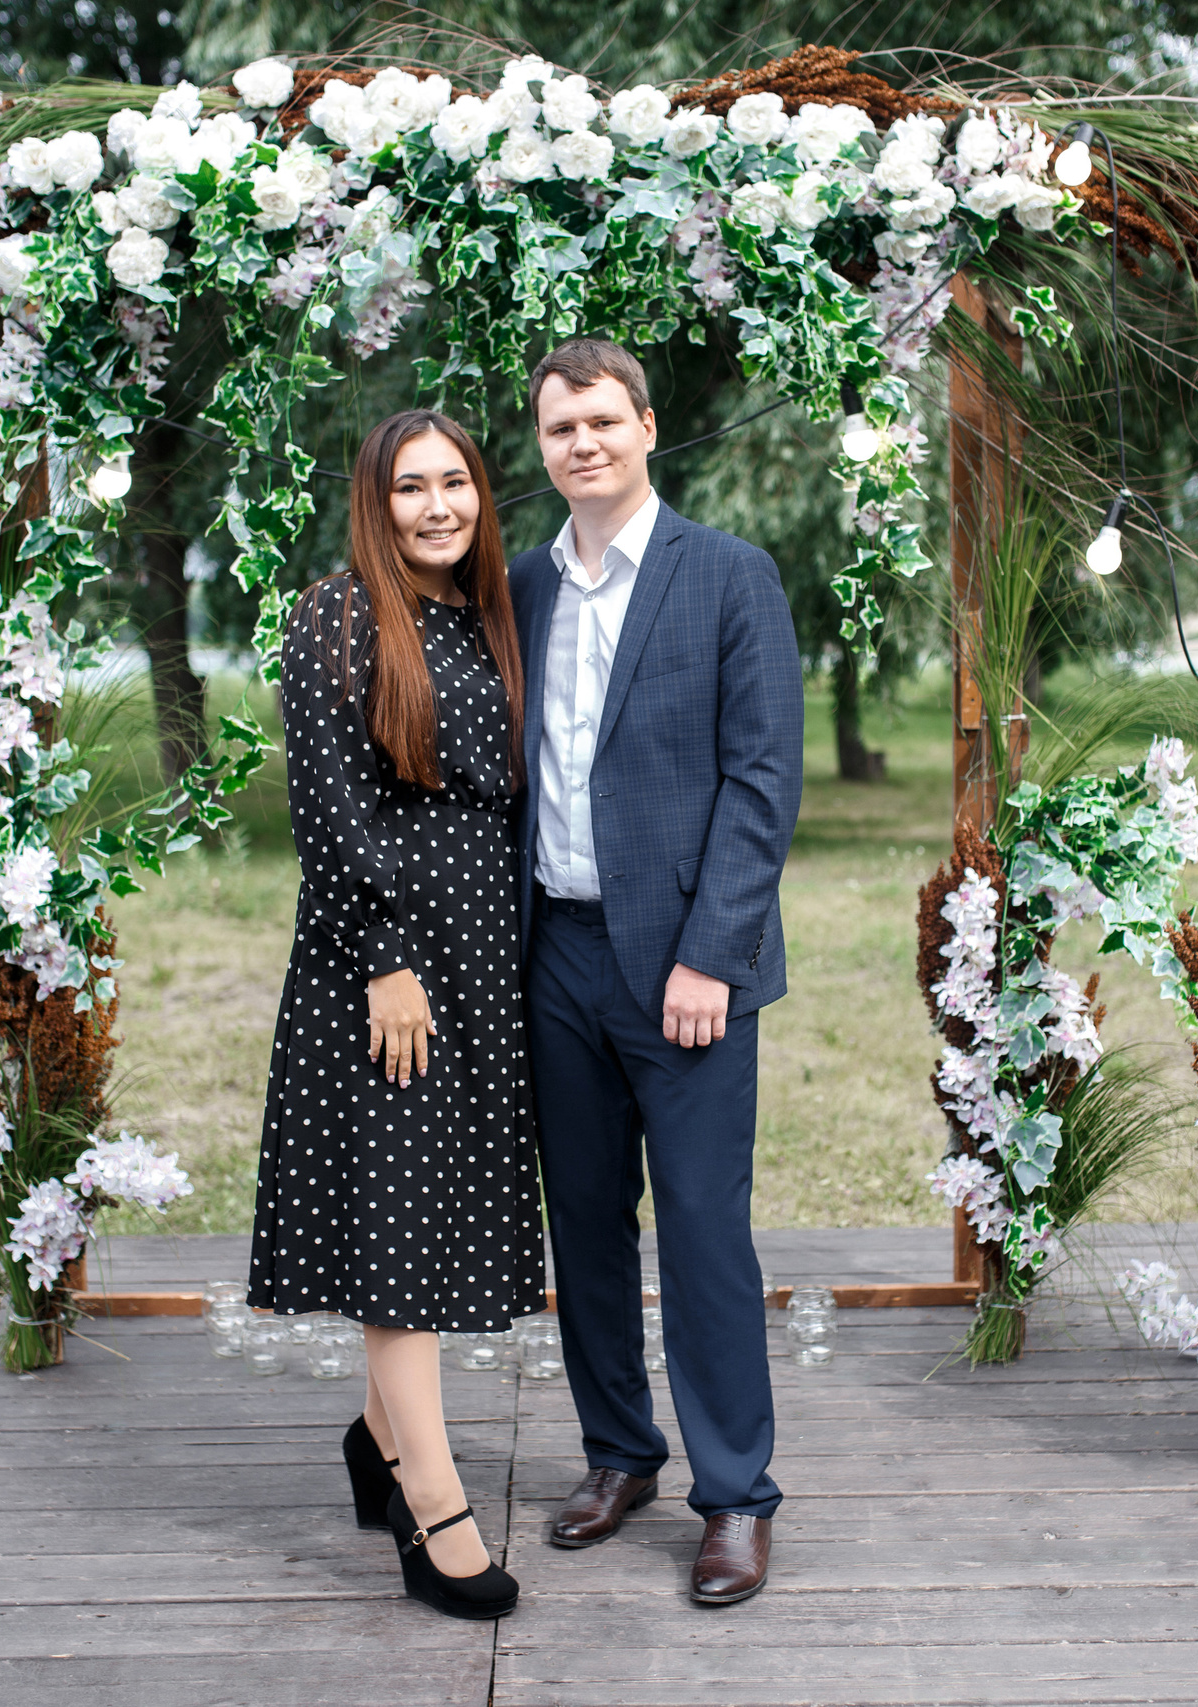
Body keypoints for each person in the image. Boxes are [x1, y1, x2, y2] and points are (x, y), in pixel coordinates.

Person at [507, 338, 803, 1604]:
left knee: (699, 1232)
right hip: (553, 954)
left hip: (683, 971)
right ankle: (618, 1453)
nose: (582, 443)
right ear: (542, 444)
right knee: (581, 1224)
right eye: (559, 426)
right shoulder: (515, 589)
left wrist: (709, 959)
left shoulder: (729, 577)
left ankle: (734, 1494)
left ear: (645, 428)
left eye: (601, 421)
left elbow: (759, 782)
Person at [248, 409, 544, 1622]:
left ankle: (376, 1445)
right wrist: (385, 957)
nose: (436, 506)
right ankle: (434, 1503)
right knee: (403, 1241)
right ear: (376, 503)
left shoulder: (486, 618)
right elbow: (327, 808)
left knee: (435, 1214)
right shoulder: (335, 615)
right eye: (411, 487)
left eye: (456, 482)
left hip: (482, 961)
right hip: (387, 966)